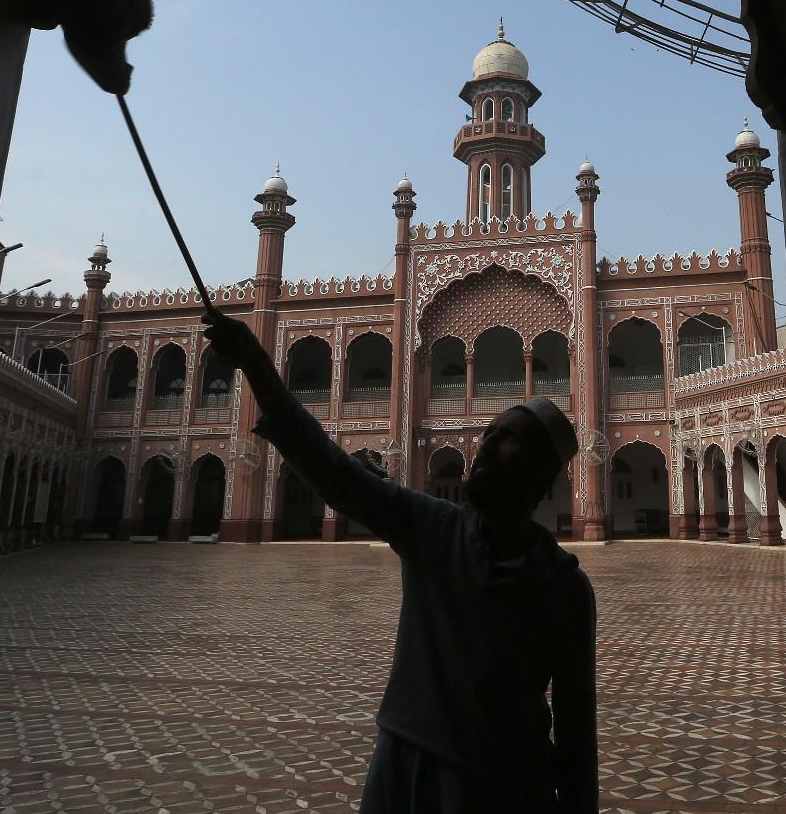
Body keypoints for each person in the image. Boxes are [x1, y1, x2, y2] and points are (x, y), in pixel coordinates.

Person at [202, 310, 598, 814]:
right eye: (489, 434)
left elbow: (577, 731)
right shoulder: (435, 530)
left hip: (506, 787)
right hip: (405, 773)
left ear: (544, 475)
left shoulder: (563, 587)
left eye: (508, 438)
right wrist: (258, 364)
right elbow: (334, 472)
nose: (485, 446)